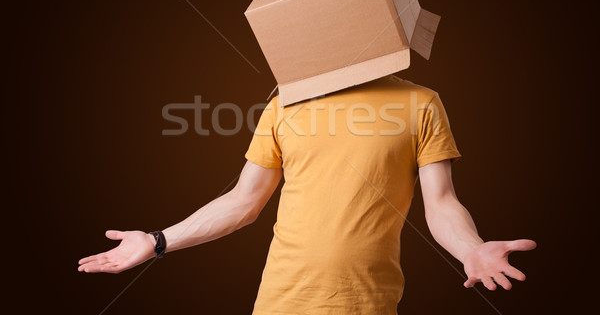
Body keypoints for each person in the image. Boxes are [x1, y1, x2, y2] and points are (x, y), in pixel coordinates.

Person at [78, 74, 536, 314]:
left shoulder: (420, 103)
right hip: (280, 303)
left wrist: (470, 249)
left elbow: (441, 202)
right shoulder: (284, 104)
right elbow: (243, 201)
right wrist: (158, 240)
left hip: (367, 305)